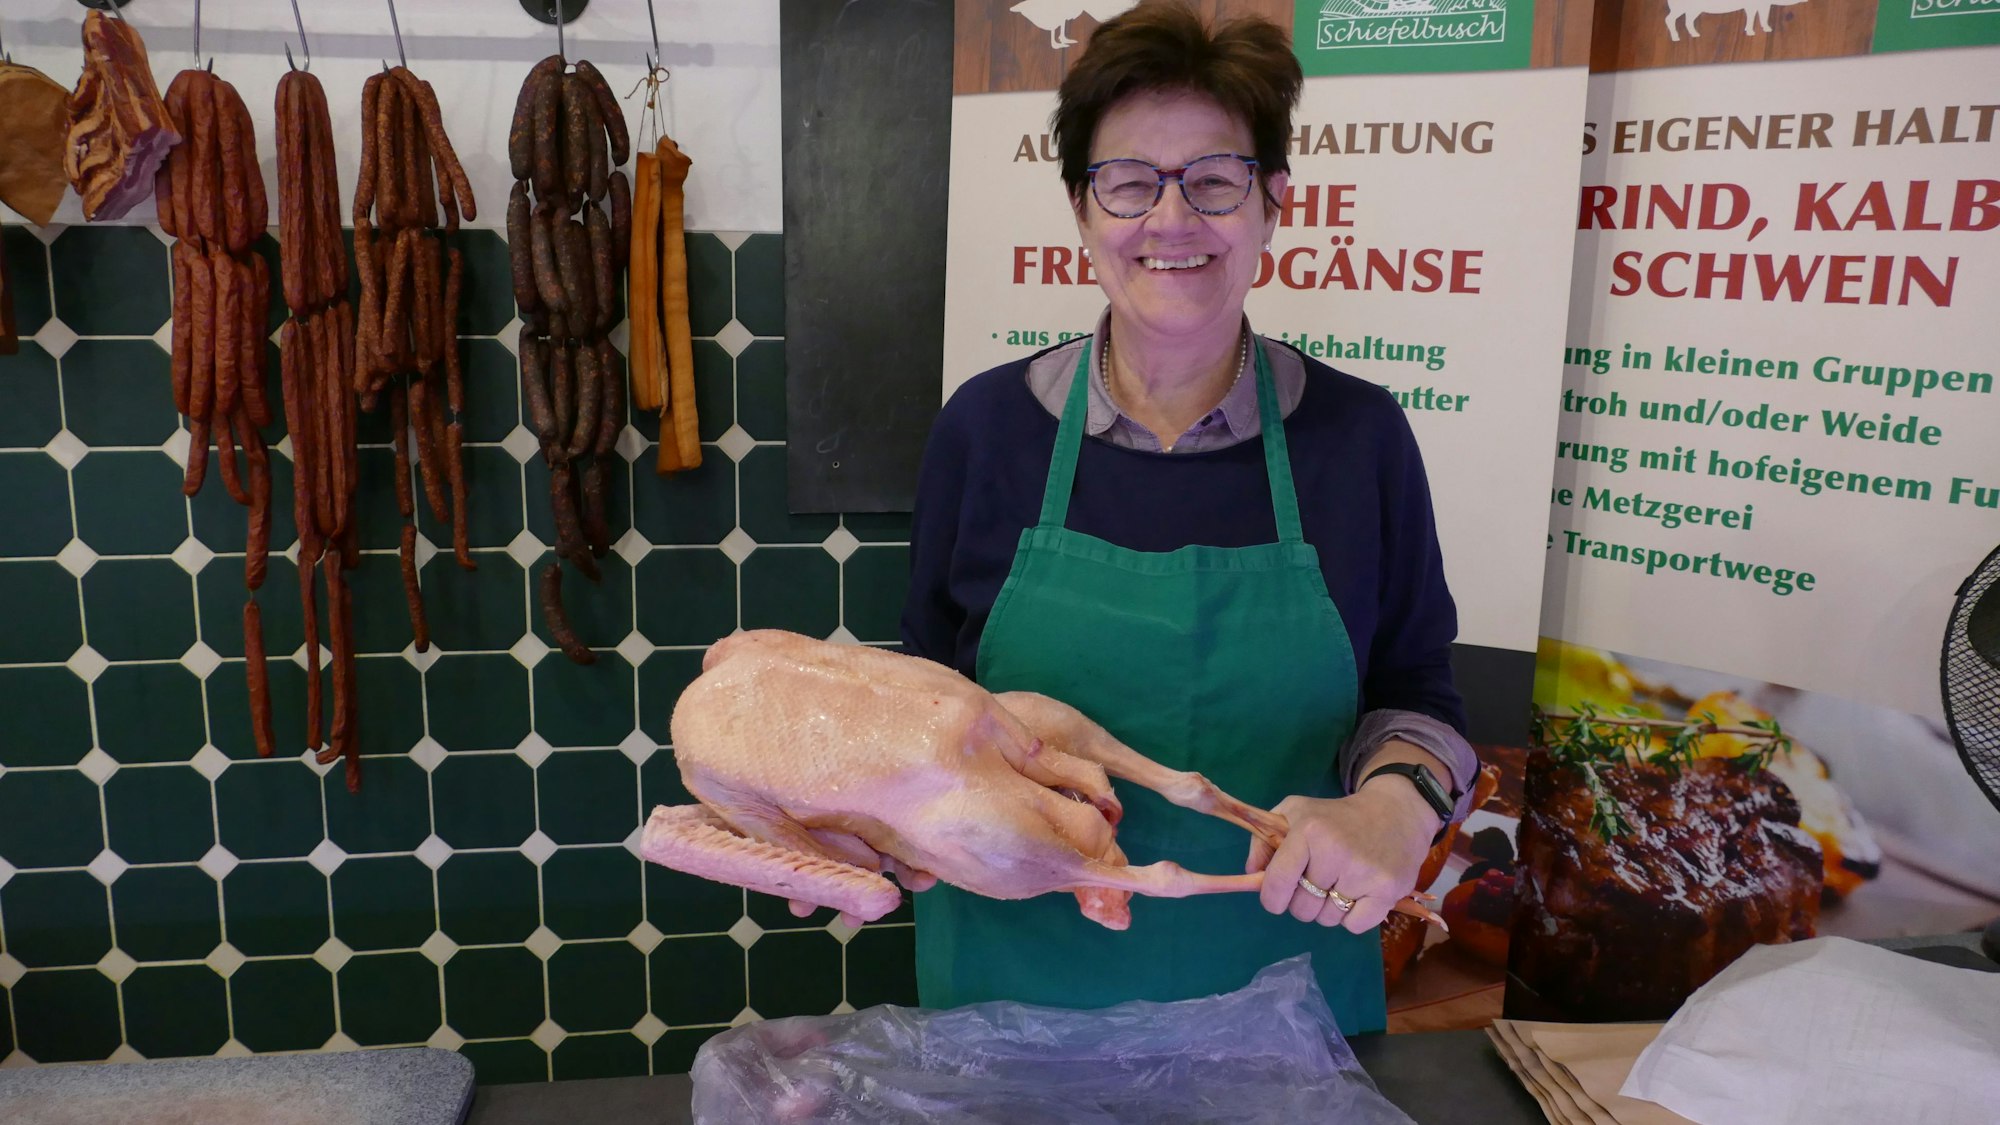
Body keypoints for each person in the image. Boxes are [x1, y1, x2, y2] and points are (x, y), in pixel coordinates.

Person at [900, 1, 1480, 1034]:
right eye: (1129, 182)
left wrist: (1399, 804)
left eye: (1214, 180)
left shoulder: (1360, 438)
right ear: (1082, 210)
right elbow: (925, 709)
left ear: (1273, 203)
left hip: (1286, 1009)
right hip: (1013, 1005)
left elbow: (1415, 690)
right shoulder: (984, 430)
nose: (1170, 220)